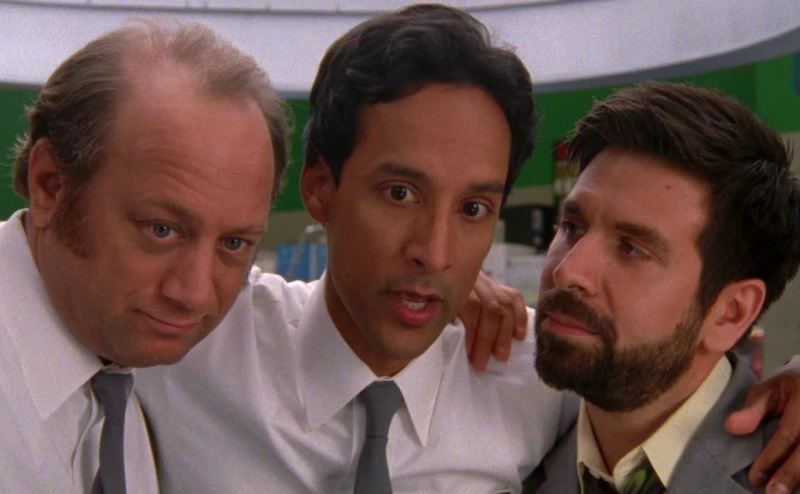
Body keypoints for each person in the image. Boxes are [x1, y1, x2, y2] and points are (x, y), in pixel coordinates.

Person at [137, 5, 800, 494]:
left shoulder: (535, 379)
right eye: (400, 193)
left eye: (474, 209)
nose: (435, 252)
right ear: (319, 187)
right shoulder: (192, 340)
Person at [0, 18, 527, 492]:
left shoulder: (134, 353)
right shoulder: (183, 345)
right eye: (161, 231)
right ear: (49, 185)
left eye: (234, 243)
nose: (195, 295)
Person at [524, 82, 800, 494]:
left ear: (731, 313)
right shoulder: (508, 455)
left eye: (632, 248)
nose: (568, 270)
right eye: (572, 226)